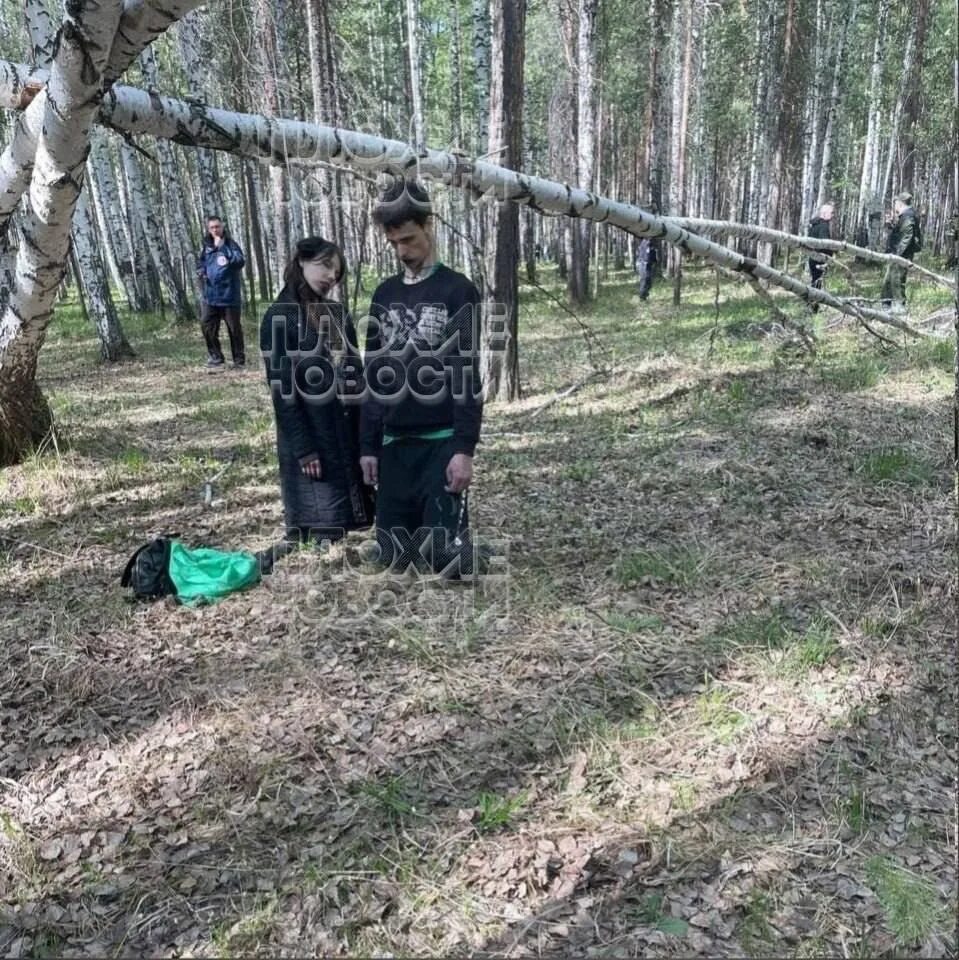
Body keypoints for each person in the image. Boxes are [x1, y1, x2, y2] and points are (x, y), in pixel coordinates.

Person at [359, 178, 483, 576]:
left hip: (441, 442)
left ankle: (458, 546)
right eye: (394, 243)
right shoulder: (384, 294)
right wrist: (368, 446)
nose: (402, 252)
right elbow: (374, 374)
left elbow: (466, 371)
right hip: (396, 444)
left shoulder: (457, 291)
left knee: (443, 563)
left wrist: (463, 449)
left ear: (429, 225)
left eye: (409, 240)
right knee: (392, 559)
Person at [260, 237, 372, 546]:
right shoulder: (279, 317)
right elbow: (282, 391)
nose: (331, 276)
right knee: (321, 527)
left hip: (344, 427)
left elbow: (355, 374)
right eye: (325, 266)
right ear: (301, 262)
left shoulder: (337, 314)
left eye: (337, 272)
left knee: (355, 521)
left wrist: (366, 438)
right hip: (309, 430)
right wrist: (303, 448)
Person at [197, 216, 246, 370]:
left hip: (229, 296)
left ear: (222, 227)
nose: (215, 230)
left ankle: (239, 360)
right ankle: (216, 357)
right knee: (207, 325)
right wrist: (201, 271)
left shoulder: (231, 244)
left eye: (217, 226)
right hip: (211, 296)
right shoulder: (206, 246)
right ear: (208, 229)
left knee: (234, 329)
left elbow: (240, 262)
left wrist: (223, 249)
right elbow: (202, 263)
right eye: (212, 227)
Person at [880, 192, 922, 308]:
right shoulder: (905, 216)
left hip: (901, 255)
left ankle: (899, 308)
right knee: (889, 280)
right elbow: (901, 234)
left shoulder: (908, 216)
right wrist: (890, 225)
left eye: (895, 203)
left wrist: (897, 254)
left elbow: (907, 237)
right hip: (897, 253)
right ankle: (886, 306)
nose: (894, 205)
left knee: (897, 281)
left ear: (899, 203)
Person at [806, 203, 834, 312]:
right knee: (817, 283)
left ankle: (812, 306)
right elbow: (825, 243)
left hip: (812, 257)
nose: (833, 215)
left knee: (815, 281)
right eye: (831, 213)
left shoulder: (814, 225)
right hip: (819, 258)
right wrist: (830, 254)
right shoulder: (823, 226)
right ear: (825, 213)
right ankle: (813, 308)